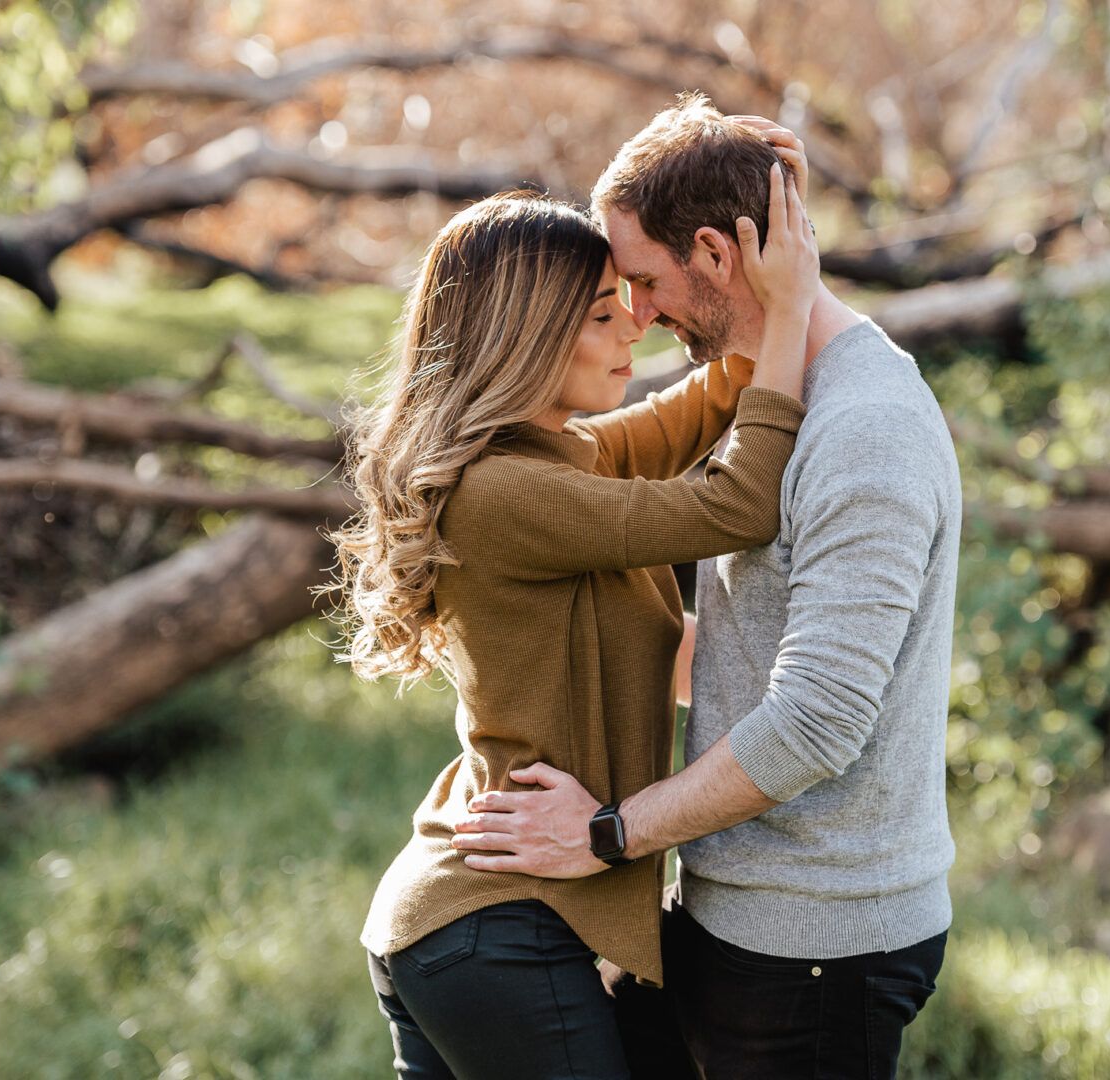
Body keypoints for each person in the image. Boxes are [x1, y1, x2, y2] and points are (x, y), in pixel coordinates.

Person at [450, 95, 963, 1080]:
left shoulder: (863, 432)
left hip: (818, 944)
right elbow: (746, 647)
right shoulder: (775, 391)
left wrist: (606, 833)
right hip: (738, 916)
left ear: (719, 259)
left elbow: (815, 721)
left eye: (642, 281)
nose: (636, 315)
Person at [328, 168, 820, 1079]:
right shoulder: (508, 492)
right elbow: (737, 505)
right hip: (491, 932)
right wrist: (788, 320)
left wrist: (763, 252)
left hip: (469, 930)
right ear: (523, 342)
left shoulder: (548, 455)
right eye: (602, 315)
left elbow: (701, 410)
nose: (635, 324)